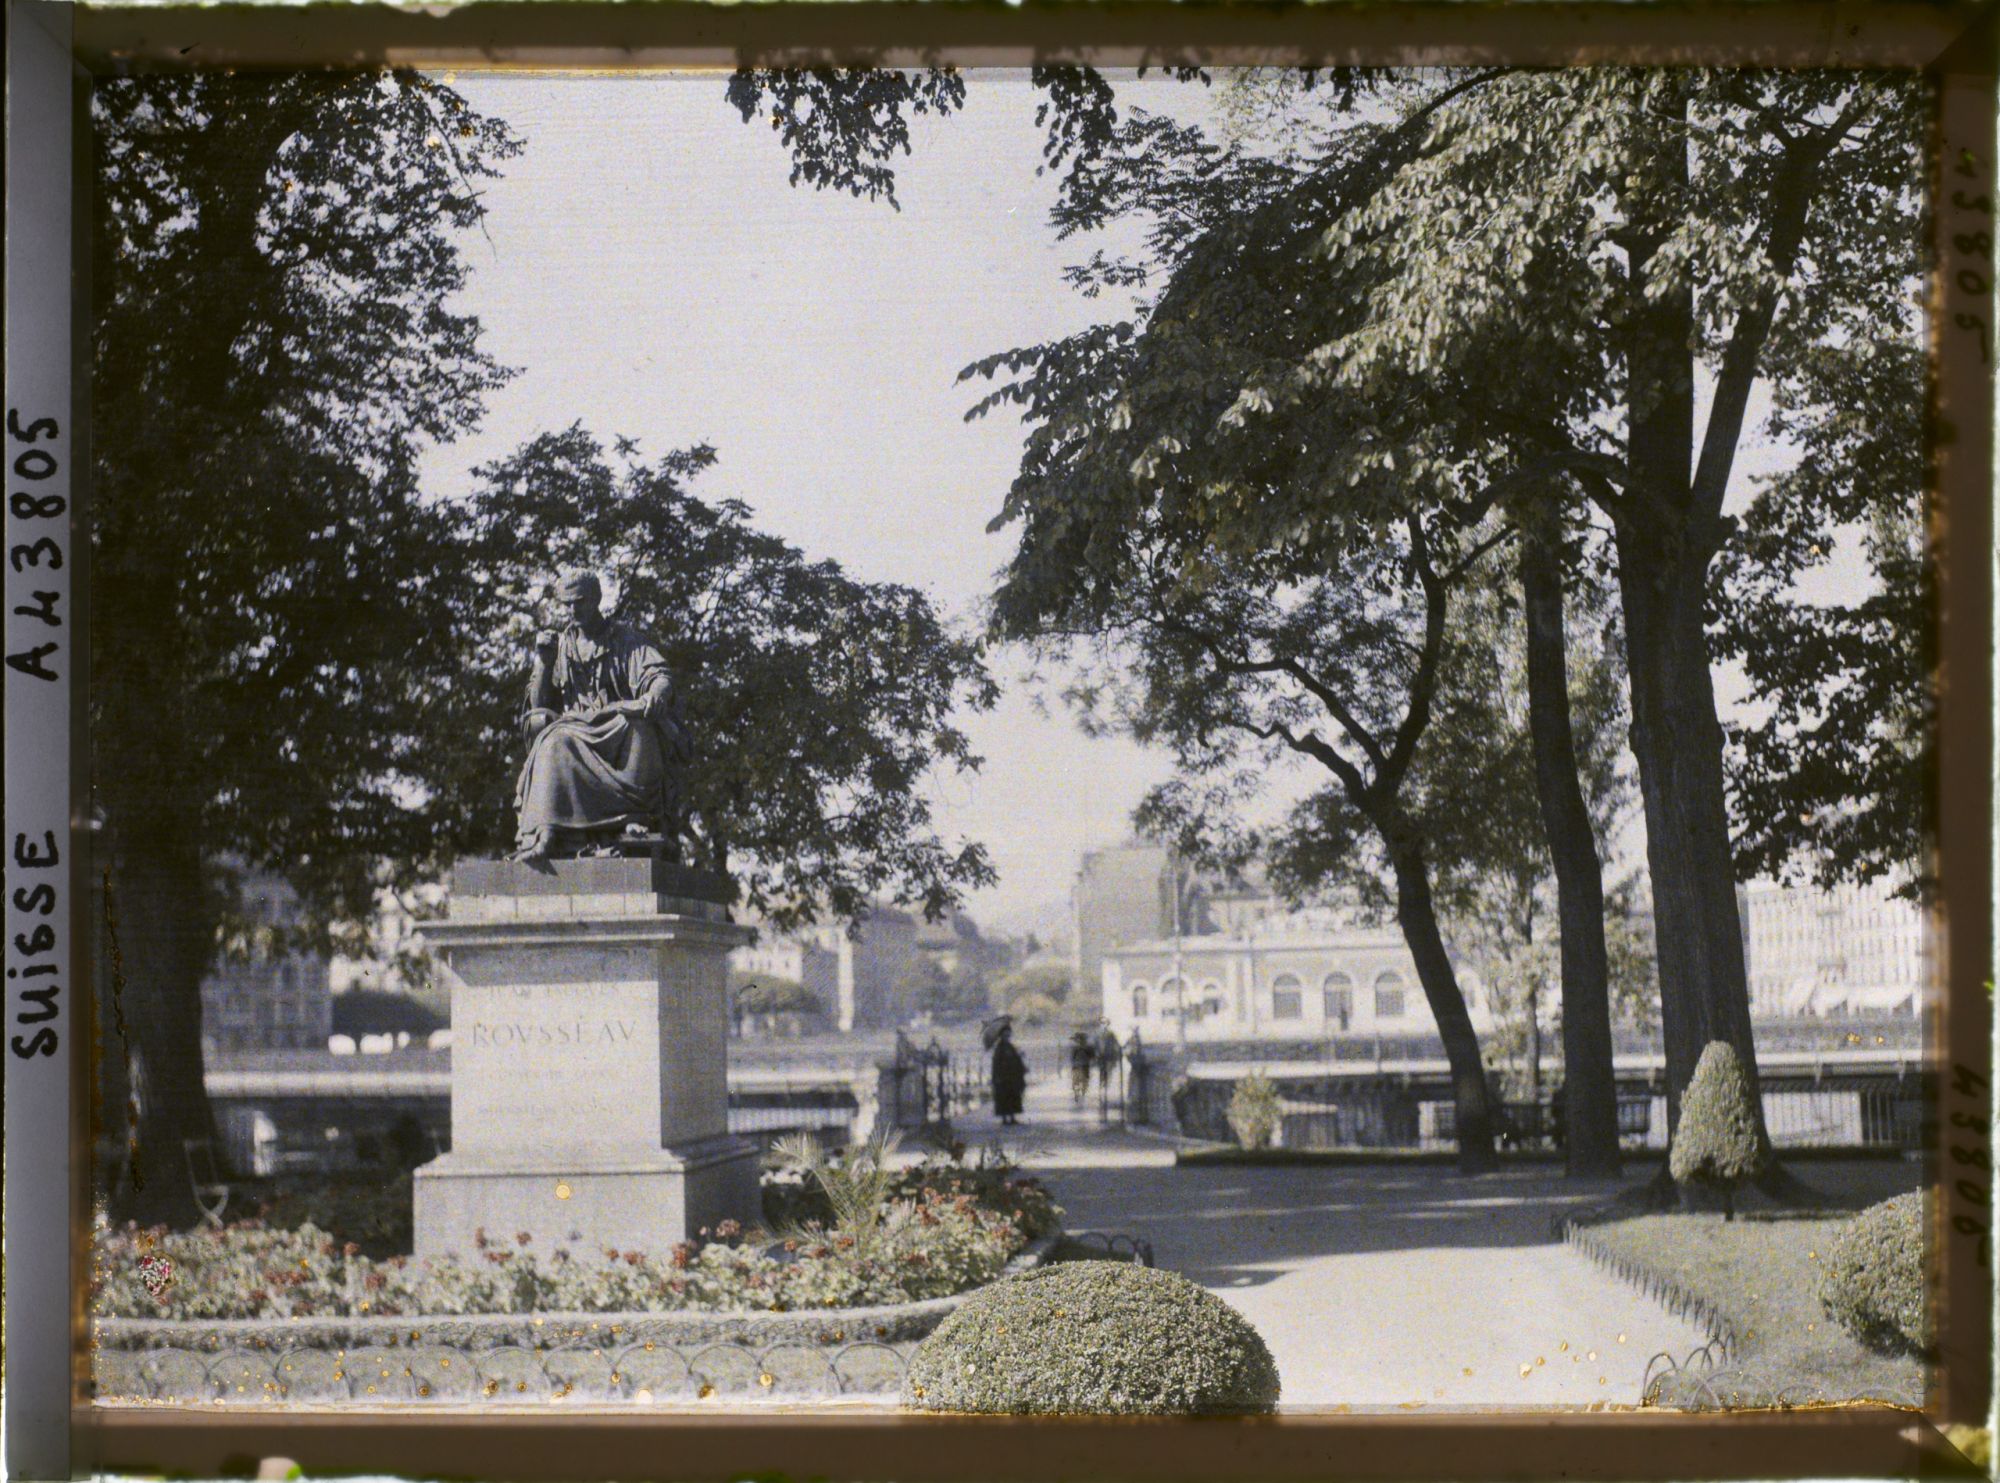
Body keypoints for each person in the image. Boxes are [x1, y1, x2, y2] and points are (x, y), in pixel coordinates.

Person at [512, 571, 692, 860]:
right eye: (568, 604)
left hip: (617, 726)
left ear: (596, 598)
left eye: (580, 601)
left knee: (638, 727)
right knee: (553, 741)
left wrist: (657, 693)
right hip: (575, 729)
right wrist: (544, 663)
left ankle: (633, 816)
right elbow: (539, 706)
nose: (573, 610)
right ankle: (547, 833)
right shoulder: (561, 646)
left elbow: (658, 674)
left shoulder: (624, 639)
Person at [990, 1022, 1027, 1127]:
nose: (1007, 1036)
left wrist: (1020, 1061)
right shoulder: (999, 1048)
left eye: (1008, 1034)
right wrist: (996, 1077)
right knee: (1004, 1098)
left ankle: (1012, 1117)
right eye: (1005, 1034)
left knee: (1012, 1096)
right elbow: (996, 1064)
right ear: (1001, 1035)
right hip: (1003, 1077)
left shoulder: (1011, 1047)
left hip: (1012, 1077)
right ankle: (1005, 1119)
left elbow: (1016, 1059)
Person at [1067, 1030, 1094, 1107]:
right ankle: (1080, 1093)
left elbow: (1072, 1058)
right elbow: (1092, 1057)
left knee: (1078, 1081)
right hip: (1083, 1067)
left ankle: (1078, 1093)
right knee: (1082, 1081)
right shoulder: (1087, 1047)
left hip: (1079, 1067)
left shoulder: (1077, 1048)